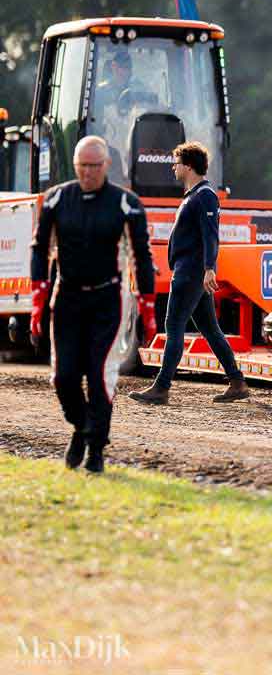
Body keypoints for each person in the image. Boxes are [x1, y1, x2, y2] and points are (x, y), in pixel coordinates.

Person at [29, 136, 157, 474]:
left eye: (94, 167)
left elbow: (142, 256)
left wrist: (147, 308)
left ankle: (96, 448)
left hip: (107, 298)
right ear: (75, 165)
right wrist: (37, 300)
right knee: (63, 377)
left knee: (101, 376)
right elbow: (40, 248)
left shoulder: (125, 203)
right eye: (82, 166)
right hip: (67, 296)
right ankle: (82, 427)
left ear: (106, 166)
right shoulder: (57, 199)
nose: (88, 173)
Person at [129, 142, 249, 405]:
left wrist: (209, 268)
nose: (173, 167)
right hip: (190, 270)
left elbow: (211, 235)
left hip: (191, 273)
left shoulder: (205, 196)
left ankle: (161, 388)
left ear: (188, 166)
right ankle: (237, 382)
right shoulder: (194, 196)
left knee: (174, 327)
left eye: (176, 162)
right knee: (210, 329)